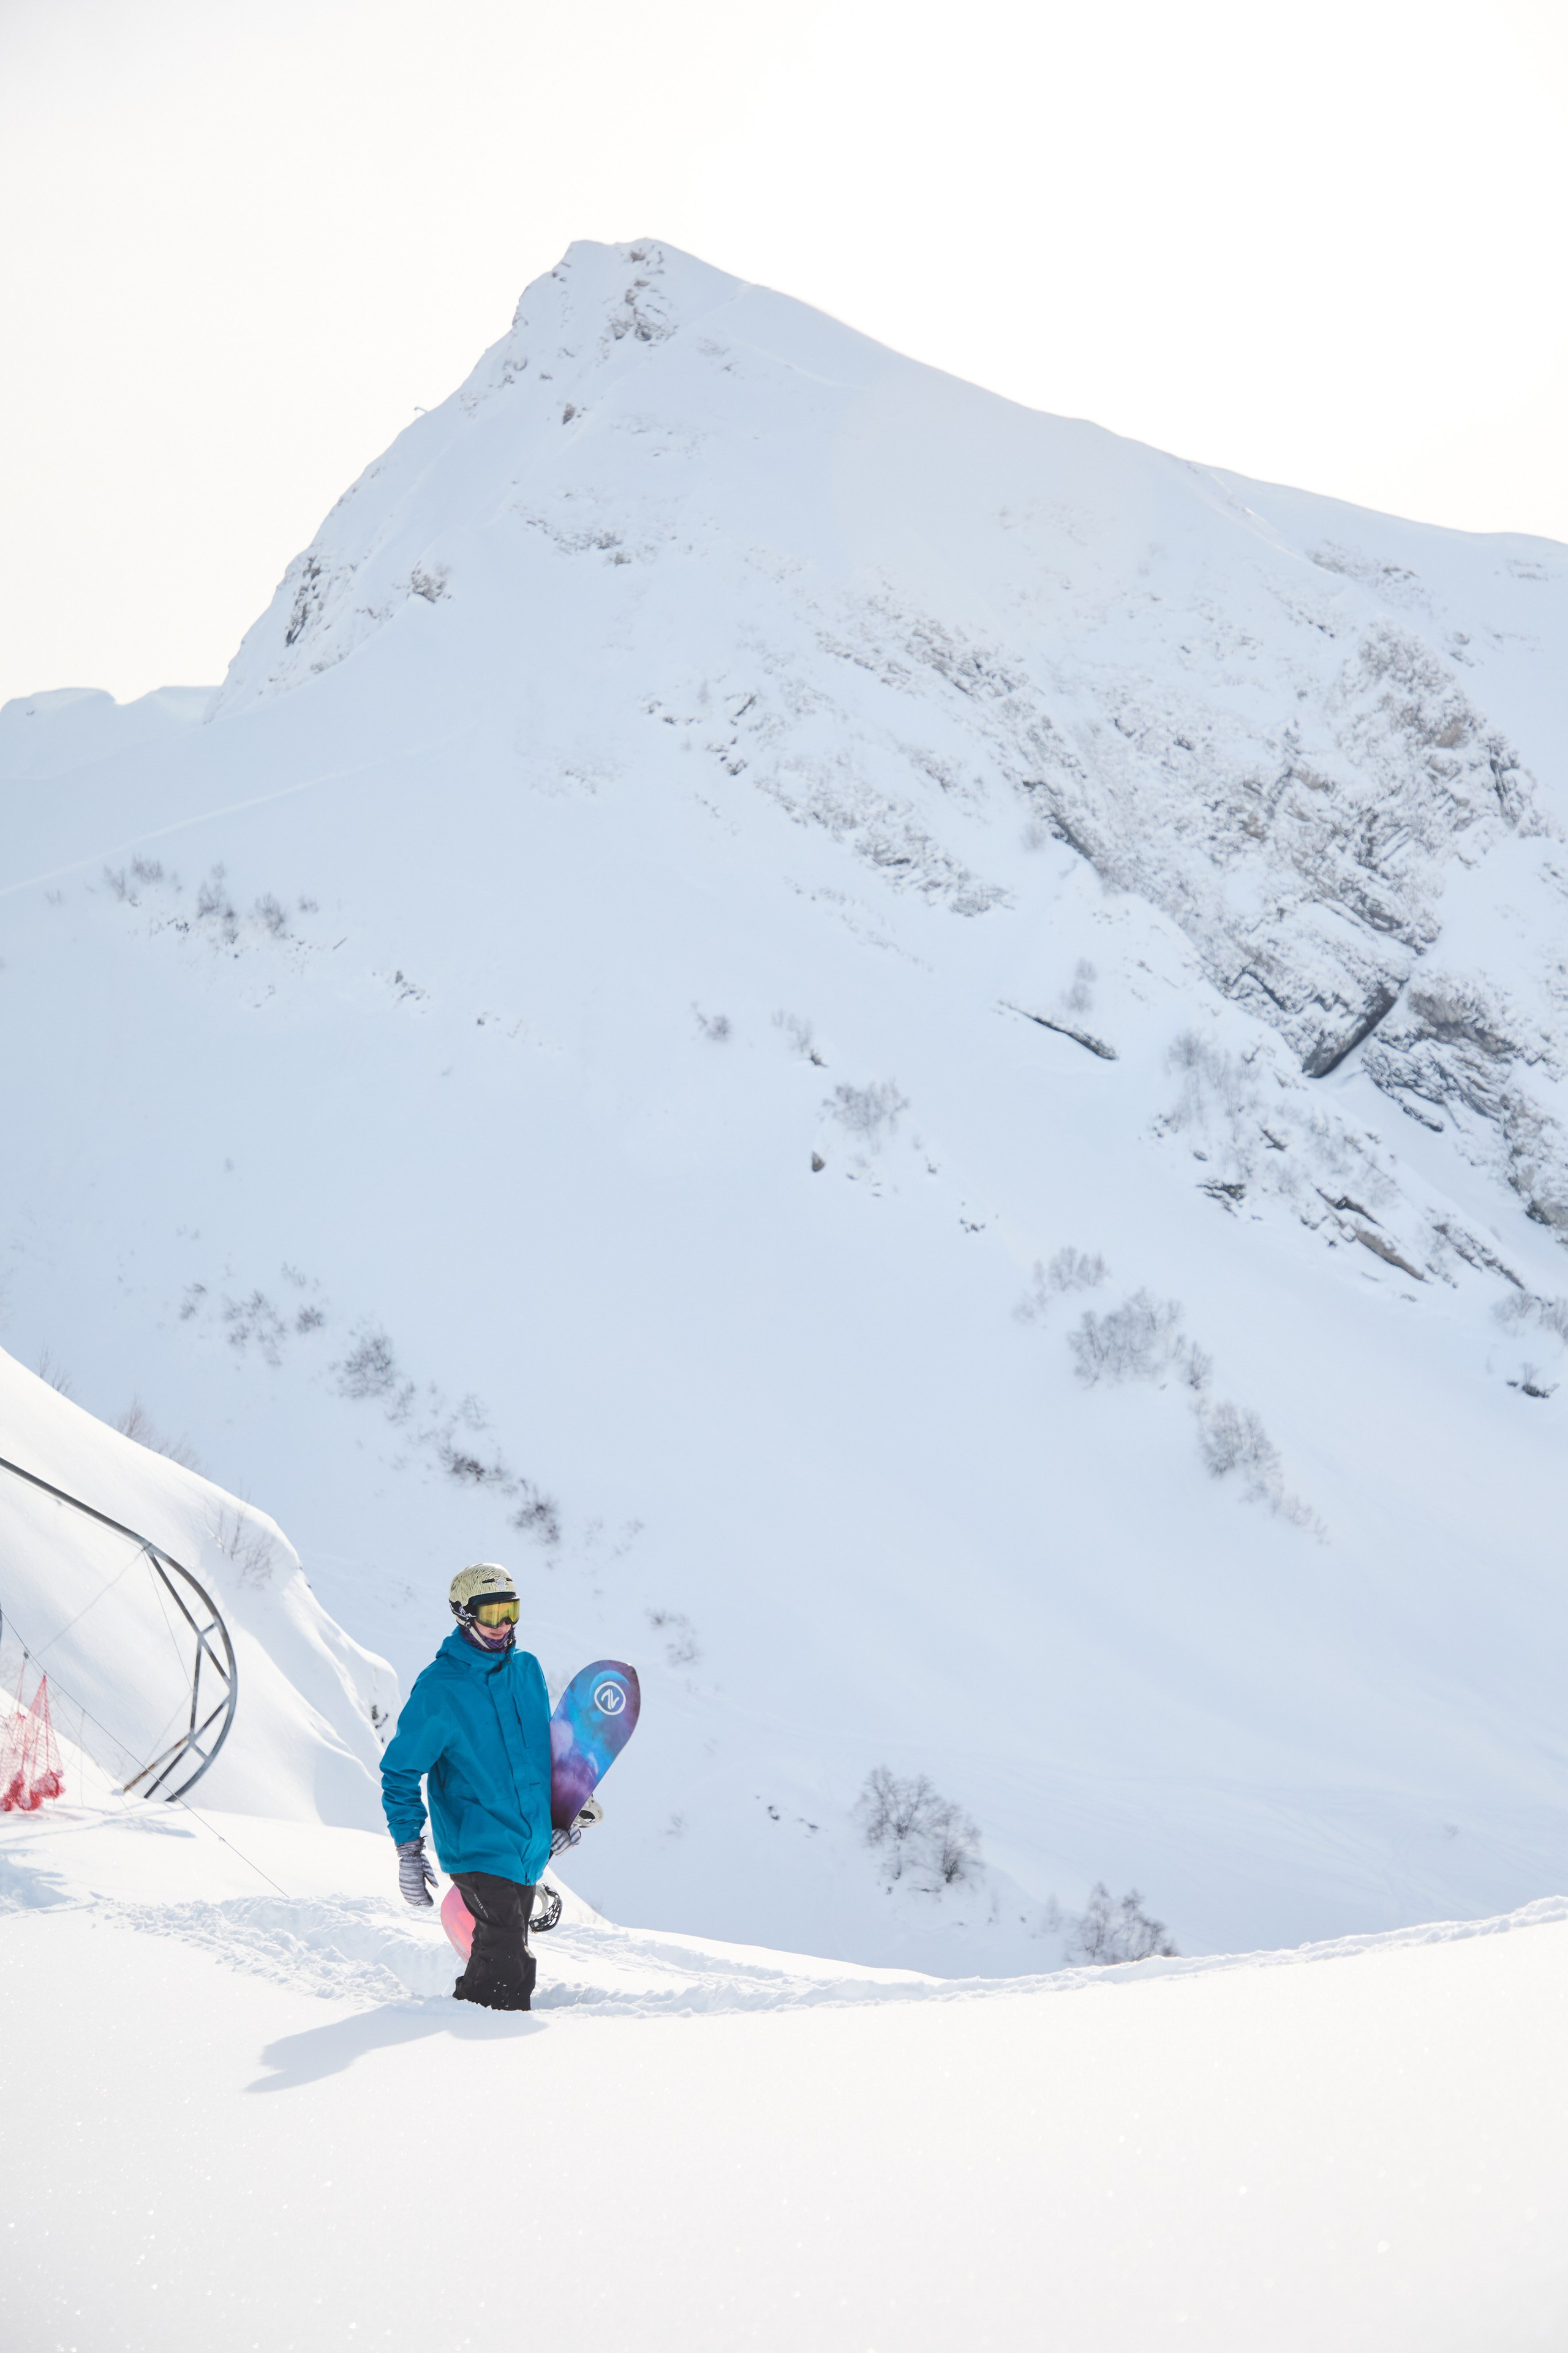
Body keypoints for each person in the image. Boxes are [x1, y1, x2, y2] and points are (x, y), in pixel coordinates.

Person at [380, 1563, 554, 2011]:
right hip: (476, 1845)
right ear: (463, 1614)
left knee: (502, 1950)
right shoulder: (441, 1688)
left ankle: (461, 2023)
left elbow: (542, 1751)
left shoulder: (528, 1671)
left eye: (511, 1611)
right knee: (508, 1961)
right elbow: (400, 1769)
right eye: (492, 1614)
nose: (505, 1626)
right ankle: (485, 2049)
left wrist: (564, 1810)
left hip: (523, 1844)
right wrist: (408, 1848)